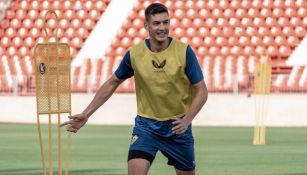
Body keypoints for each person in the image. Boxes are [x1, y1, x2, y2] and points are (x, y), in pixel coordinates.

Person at [61, 3, 208, 175]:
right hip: (146, 127)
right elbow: (112, 82)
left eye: (165, 22)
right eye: (157, 23)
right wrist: (86, 113)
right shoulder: (135, 54)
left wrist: (186, 120)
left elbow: (202, 91)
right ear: (146, 26)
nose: (162, 28)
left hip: (177, 127)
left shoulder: (184, 52)